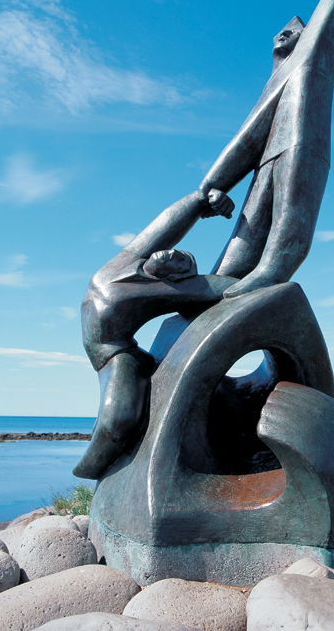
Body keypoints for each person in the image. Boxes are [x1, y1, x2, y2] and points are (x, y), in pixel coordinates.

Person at [197, 0, 334, 297]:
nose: (284, 34)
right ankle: (215, 290)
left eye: (294, 32)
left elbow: (325, 26)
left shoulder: (307, 62)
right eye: (280, 32)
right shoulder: (274, 81)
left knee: (287, 235)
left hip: (301, 145)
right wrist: (212, 185)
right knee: (233, 262)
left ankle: (271, 273)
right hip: (266, 160)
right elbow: (250, 136)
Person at [73, 187, 237, 479]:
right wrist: (200, 200)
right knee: (116, 417)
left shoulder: (166, 291)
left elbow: (221, 287)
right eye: (180, 253)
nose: (174, 254)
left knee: (119, 419)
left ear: (175, 279)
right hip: (109, 347)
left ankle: (89, 468)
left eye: (182, 263)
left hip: (118, 354)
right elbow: (165, 225)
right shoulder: (127, 262)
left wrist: (262, 279)